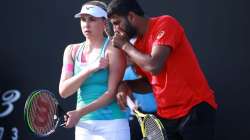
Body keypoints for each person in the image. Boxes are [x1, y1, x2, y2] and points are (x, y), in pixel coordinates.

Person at [107, 0, 218, 140]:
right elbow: (150, 83)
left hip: (194, 110)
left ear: (131, 17)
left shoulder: (165, 23)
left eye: (117, 23)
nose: (115, 29)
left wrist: (125, 46)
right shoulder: (137, 46)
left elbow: (154, 66)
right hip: (166, 118)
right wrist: (128, 85)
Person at [58, 1, 130, 140]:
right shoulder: (71, 50)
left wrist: (79, 113)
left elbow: (111, 94)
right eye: (83, 19)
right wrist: (90, 68)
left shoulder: (113, 49)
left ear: (104, 22)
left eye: (92, 19)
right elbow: (64, 91)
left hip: (112, 124)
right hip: (83, 127)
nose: (86, 24)